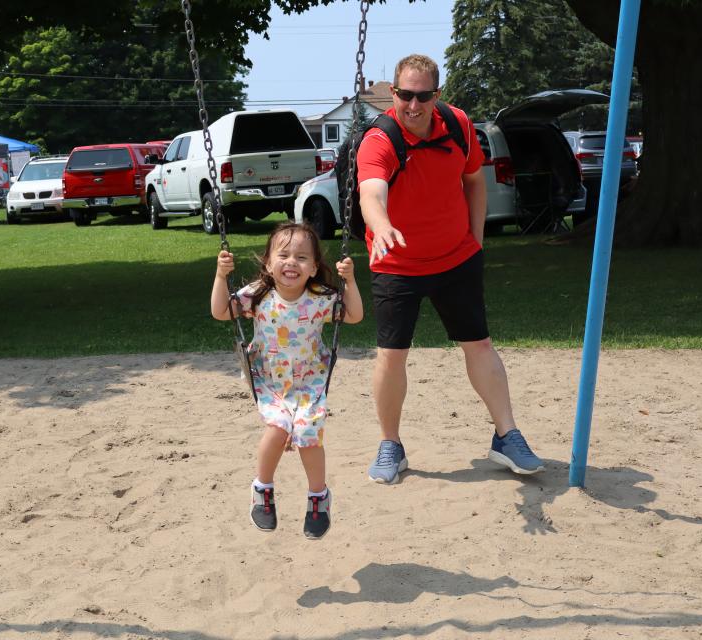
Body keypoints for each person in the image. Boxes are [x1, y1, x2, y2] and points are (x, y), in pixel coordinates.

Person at [357, 54, 544, 484]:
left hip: (454, 256)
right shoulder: (379, 139)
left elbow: (475, 179)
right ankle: (391, 445)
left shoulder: (457, 124)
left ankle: (507, 436)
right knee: (392, 353)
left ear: (436, 95)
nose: (413, 105)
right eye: (405, 95)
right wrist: (382, 226)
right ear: (393, 92)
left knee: (479, 344)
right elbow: (371, 193)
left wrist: (476, 237)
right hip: (397, 262)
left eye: (423, 96)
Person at [211, 222, 363, 539]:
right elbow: (221, 312)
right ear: (268, 263)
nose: (292, 262)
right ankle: (262, 490)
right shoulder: (258, 295)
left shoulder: (321, 298)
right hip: (269, 381)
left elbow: (353, 315)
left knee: (308, 431)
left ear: (313, 268)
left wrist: (349, 280)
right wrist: (220, 276)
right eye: (283, 255)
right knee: (279, 427)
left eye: (302, 257)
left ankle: (318, 498)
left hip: (310, 381)